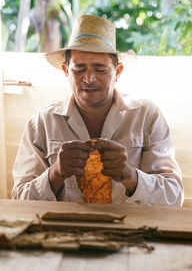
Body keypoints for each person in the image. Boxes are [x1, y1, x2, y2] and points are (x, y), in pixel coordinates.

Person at [12, 15, 184, 206]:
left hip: (131, 232)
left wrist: (130, 176)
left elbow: (173, 196)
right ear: (65, 71)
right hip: (63, 233)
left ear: (118, 72)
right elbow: (19, 199)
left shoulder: (146, 116)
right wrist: (55, 173)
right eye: (79, 69)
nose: (89, 78)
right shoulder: (42, 123)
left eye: (100, 69)